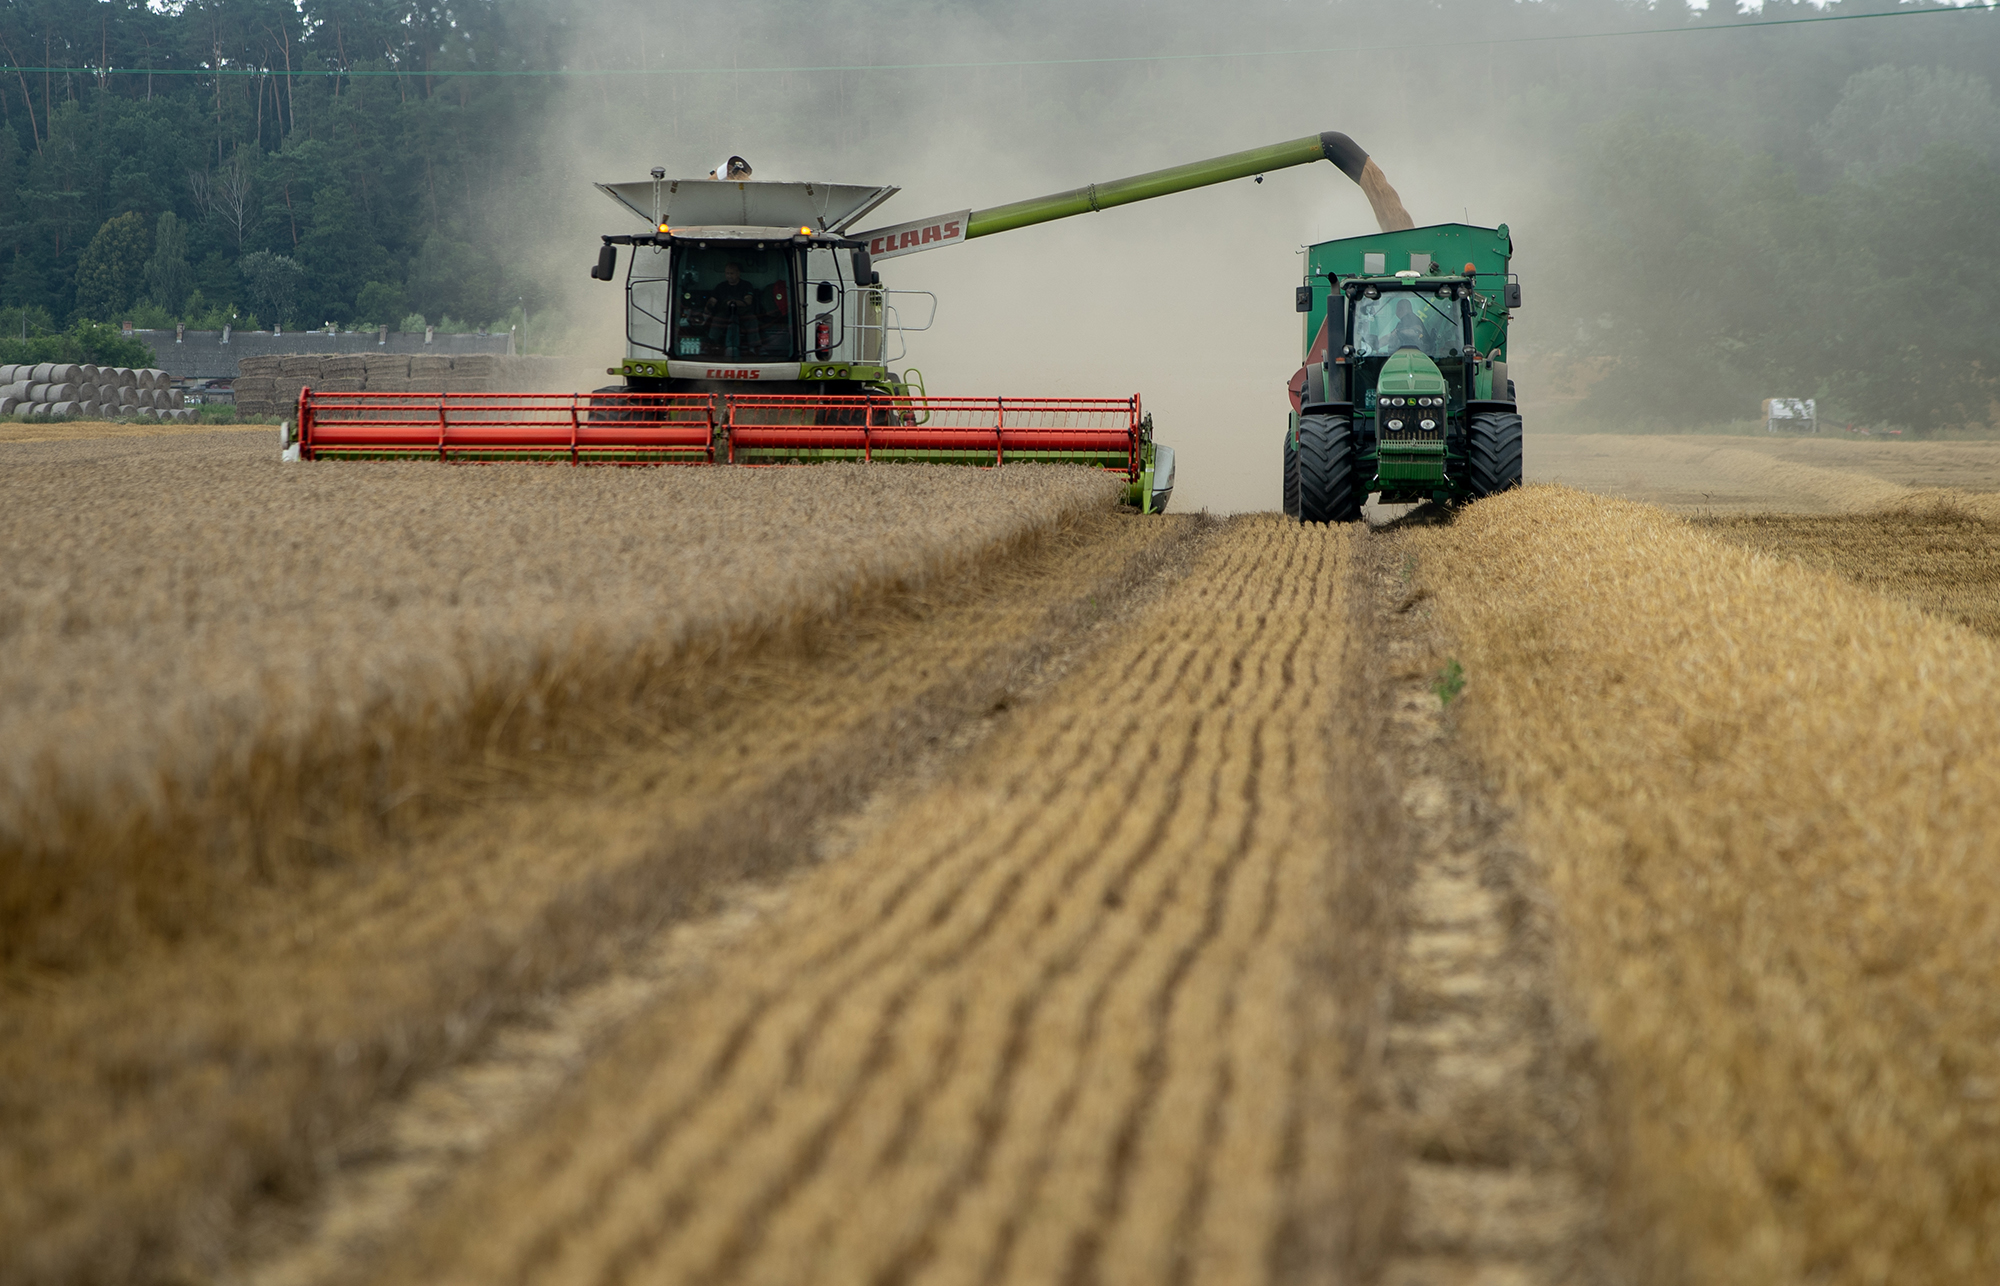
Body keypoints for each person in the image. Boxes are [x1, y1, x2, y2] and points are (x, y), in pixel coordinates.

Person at [706, 261, 760, 357]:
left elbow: (748, 300)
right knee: (716, 319)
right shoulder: (721, 286)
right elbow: (712, 300)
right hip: (725, 313)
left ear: (738, 273)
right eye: (727, 273)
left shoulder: (746, 285)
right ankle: (711, 345)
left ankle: (753, 348)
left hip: (742, 313)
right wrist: (708, 307)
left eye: (732, 273)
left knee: (752, 319)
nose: (729, 276)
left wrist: (733, 302)